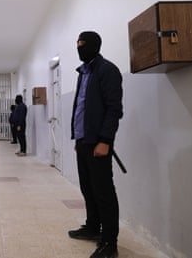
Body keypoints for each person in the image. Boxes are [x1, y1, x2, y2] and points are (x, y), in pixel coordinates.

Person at [68, 31, 123, 258]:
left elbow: (113, 109)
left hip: (98, 143)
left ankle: (110, 242)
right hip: (83, 140)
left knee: (103, 192)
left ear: (94, 45)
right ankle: (92, 227)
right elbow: (82, 107)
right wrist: (78, 137)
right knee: (87, 187)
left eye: (83, 44)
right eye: (77, 44)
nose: (79, 47)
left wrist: (105, 140)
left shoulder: (108, 70)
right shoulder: (83, 73)